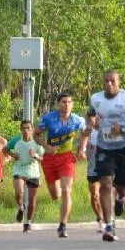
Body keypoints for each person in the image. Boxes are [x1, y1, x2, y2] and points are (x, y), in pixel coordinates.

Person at [85, 70, 125, 242]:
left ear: (118, 82)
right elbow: (90, 114)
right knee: (105, 184)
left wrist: (122, 130)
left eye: (112, 81)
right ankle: (109, 225)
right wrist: (91, 123)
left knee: (122, 184)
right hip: (104, 147)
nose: (109, 84)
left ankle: (120, 196)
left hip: (124, 146)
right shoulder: (96, 98)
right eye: (106, 81)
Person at [35, 93, 88, 239]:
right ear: (58, 104)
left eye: (69, 102)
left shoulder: (77, 120)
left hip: (67, 158)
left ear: (72, 104)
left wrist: (82, 149)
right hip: (50, 158)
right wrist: (46, 147)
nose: (66, 104)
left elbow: (85, 133)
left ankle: (63, 225)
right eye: (64, 102)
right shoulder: (48, 119)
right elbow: (36, 134)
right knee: (55, 195)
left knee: (66, 190)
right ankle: (58, 199)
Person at [10, 120, 44, 232]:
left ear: (32, 129)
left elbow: (44, 158)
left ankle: (28, 223)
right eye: (23, 128)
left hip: (33, 172)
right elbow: (5, 149)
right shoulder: (16, 140)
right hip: (19, 169)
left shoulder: (37, 142)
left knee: (32, 200)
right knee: (19, 192)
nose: (25, 130)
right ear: (21, 130)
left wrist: (35, 156)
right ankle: (20, 206)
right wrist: (13, 155)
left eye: (28, 128)